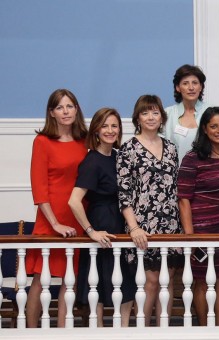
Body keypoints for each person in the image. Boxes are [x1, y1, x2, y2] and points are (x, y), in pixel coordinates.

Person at [117, 94, 183, 326]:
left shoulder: (172, 148)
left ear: (162, 117)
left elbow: (176, 187)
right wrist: (133, 227)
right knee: (150, 281)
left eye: (155, 112)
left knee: (169, 279)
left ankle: (163, 328)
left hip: (172, 224)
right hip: (143, 225)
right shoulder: (128, 149)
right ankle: (142, 331)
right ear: (137, 118)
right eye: (145, 112)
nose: (151, 117)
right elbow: (123, 193)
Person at [25, 89, 88, 328]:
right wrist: (55, 224)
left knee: (69, 281)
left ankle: (63, 331)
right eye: (60, 107)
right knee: (41, 279)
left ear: (76, 110)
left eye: (69, 106)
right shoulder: (42, 142)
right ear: (51, 113)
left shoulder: (85, 141)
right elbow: (39, 189)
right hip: (51, 221)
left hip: (78, 219)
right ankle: (29, 332)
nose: (65, 111)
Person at [68, 108, 136, 327]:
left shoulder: (118, 157)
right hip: (101, 226)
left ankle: (124, 330)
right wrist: (91, 232)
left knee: (125, 283)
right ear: (96, 130)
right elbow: (74, 201)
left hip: (120, 223)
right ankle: (97, 332)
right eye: (104, 126)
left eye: (114, 126)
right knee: (97, 284)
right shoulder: (92, 161)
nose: (110, 130)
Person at [177, 106, 219, 326]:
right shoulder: (193, 158)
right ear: (205, 129)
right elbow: (183, 198)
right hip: (201, 233)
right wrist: (190, 236)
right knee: (202, 283)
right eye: (214, 126)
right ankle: (205, 331)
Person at [163, 64, 210, 163]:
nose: (191, 87)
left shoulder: (212, 112)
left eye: (195, 83)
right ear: (178, 88)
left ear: (201, 87)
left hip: (206, 172)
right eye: (185, 83)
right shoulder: (167, 114)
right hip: (175, 173)